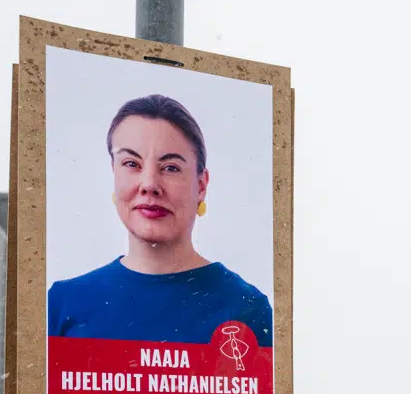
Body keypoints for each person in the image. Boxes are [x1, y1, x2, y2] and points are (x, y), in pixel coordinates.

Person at [47, 94, 273, 347]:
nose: (149, 185)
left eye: (171, 168)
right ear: (114, 174)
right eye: (131, 163)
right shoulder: (62, 304)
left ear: (201, 186)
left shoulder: (247, 308)